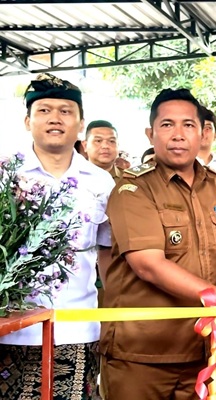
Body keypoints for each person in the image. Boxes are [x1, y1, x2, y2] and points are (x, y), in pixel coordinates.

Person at [99, 88, 216, 399]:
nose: (178, 134)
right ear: (150, 134)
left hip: (203, 349)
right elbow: (148, 265)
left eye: (188, 125)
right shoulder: (132, 190)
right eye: (167, 125)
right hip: (142, 354)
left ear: (202, 133)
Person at [0, 73, 114, 400]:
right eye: (44, 110)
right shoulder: (6, 175)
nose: (55, 118)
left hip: (75, 330)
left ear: (80, 124)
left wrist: (111, 316)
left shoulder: (100, 182)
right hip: (9, 330)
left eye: (65, 111)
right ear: (27, 121)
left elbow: (107, 254)